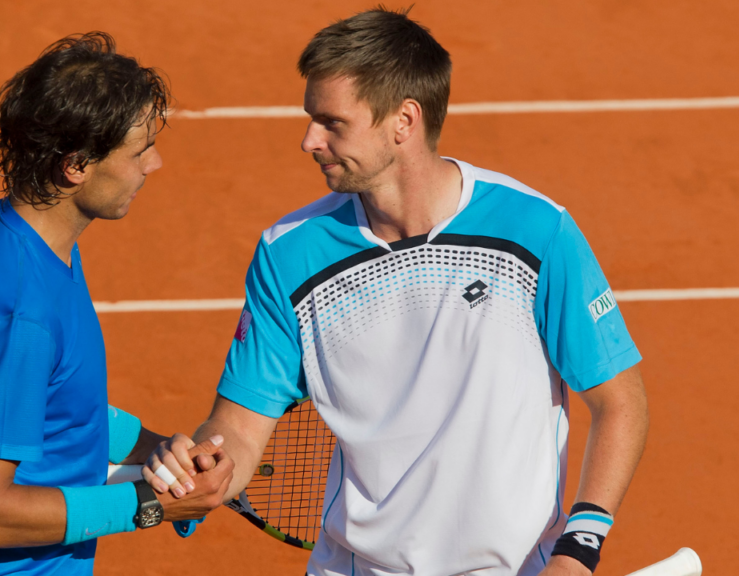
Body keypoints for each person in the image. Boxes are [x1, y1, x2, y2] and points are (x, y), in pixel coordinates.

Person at [146, 8, 649, 576]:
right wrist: (213, 465)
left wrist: (579, 549)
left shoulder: (534, 231)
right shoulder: (289, 255)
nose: (309, 140)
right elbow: (237, 426)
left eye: (332, 122)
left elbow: (619, 400)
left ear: (403, 121)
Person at [0, 33, 232, 576]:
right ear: (76, 166)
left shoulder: (3, 238)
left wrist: (161, 454)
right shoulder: (15, 313)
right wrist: (149, 505)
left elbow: (50, 407)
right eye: (139, 149)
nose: (154, 164)